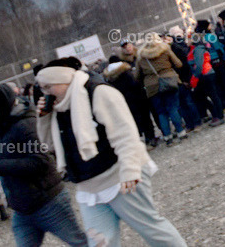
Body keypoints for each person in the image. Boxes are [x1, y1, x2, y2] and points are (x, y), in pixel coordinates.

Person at [34, 60, 187, 247]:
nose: (45, 93)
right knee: (100, 243)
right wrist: (43, 118)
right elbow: (49, 146)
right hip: (88, 186)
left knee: (152, 230)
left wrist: (130, 170)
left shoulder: (98, 92)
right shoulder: (58, 108)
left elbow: (126, 133)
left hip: (120, 175)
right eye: (42, 88)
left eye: (49, 87)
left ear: (64, 80)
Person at [0, 83, 87, 247]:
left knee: (81, 244)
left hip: (49, 202)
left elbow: (41, 161)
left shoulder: (25, 124)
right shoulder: (1, 128)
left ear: (0, 101)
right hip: (23, 210)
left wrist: (0, 167)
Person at [134, 36, 188, 146]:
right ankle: (181, 132)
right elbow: (178, 64)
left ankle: (167, 137)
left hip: (152, 86)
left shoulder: (141, 56)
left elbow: (137, 76)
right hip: (168, 81)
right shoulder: (165, 49)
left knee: (161, 112)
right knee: (173, 108)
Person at [103, 56, 160, 147]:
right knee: (145, 119)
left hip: (124, 101)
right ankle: (150, 138)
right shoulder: (126, 71)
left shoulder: (108, 77)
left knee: (134, 121)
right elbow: (134, 83)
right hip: (138, 98)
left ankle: (139, 140)